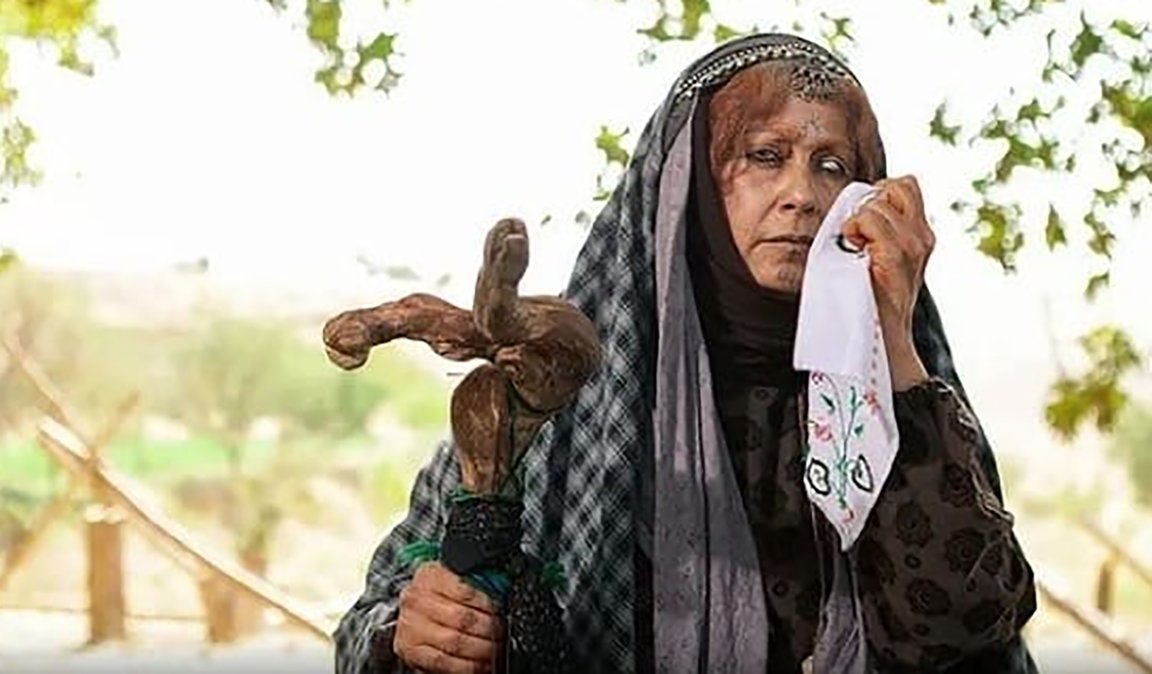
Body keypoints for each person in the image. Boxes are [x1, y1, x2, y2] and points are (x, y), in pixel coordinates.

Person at [332, 33, 1038, 674]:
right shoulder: (550, 398)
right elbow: (370, 625)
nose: (803, 194)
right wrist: (415, 631)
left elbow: (969, 629)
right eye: (765, 156)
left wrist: (890, 343)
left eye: (831, 165)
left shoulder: (907, 401)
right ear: (688, 187)